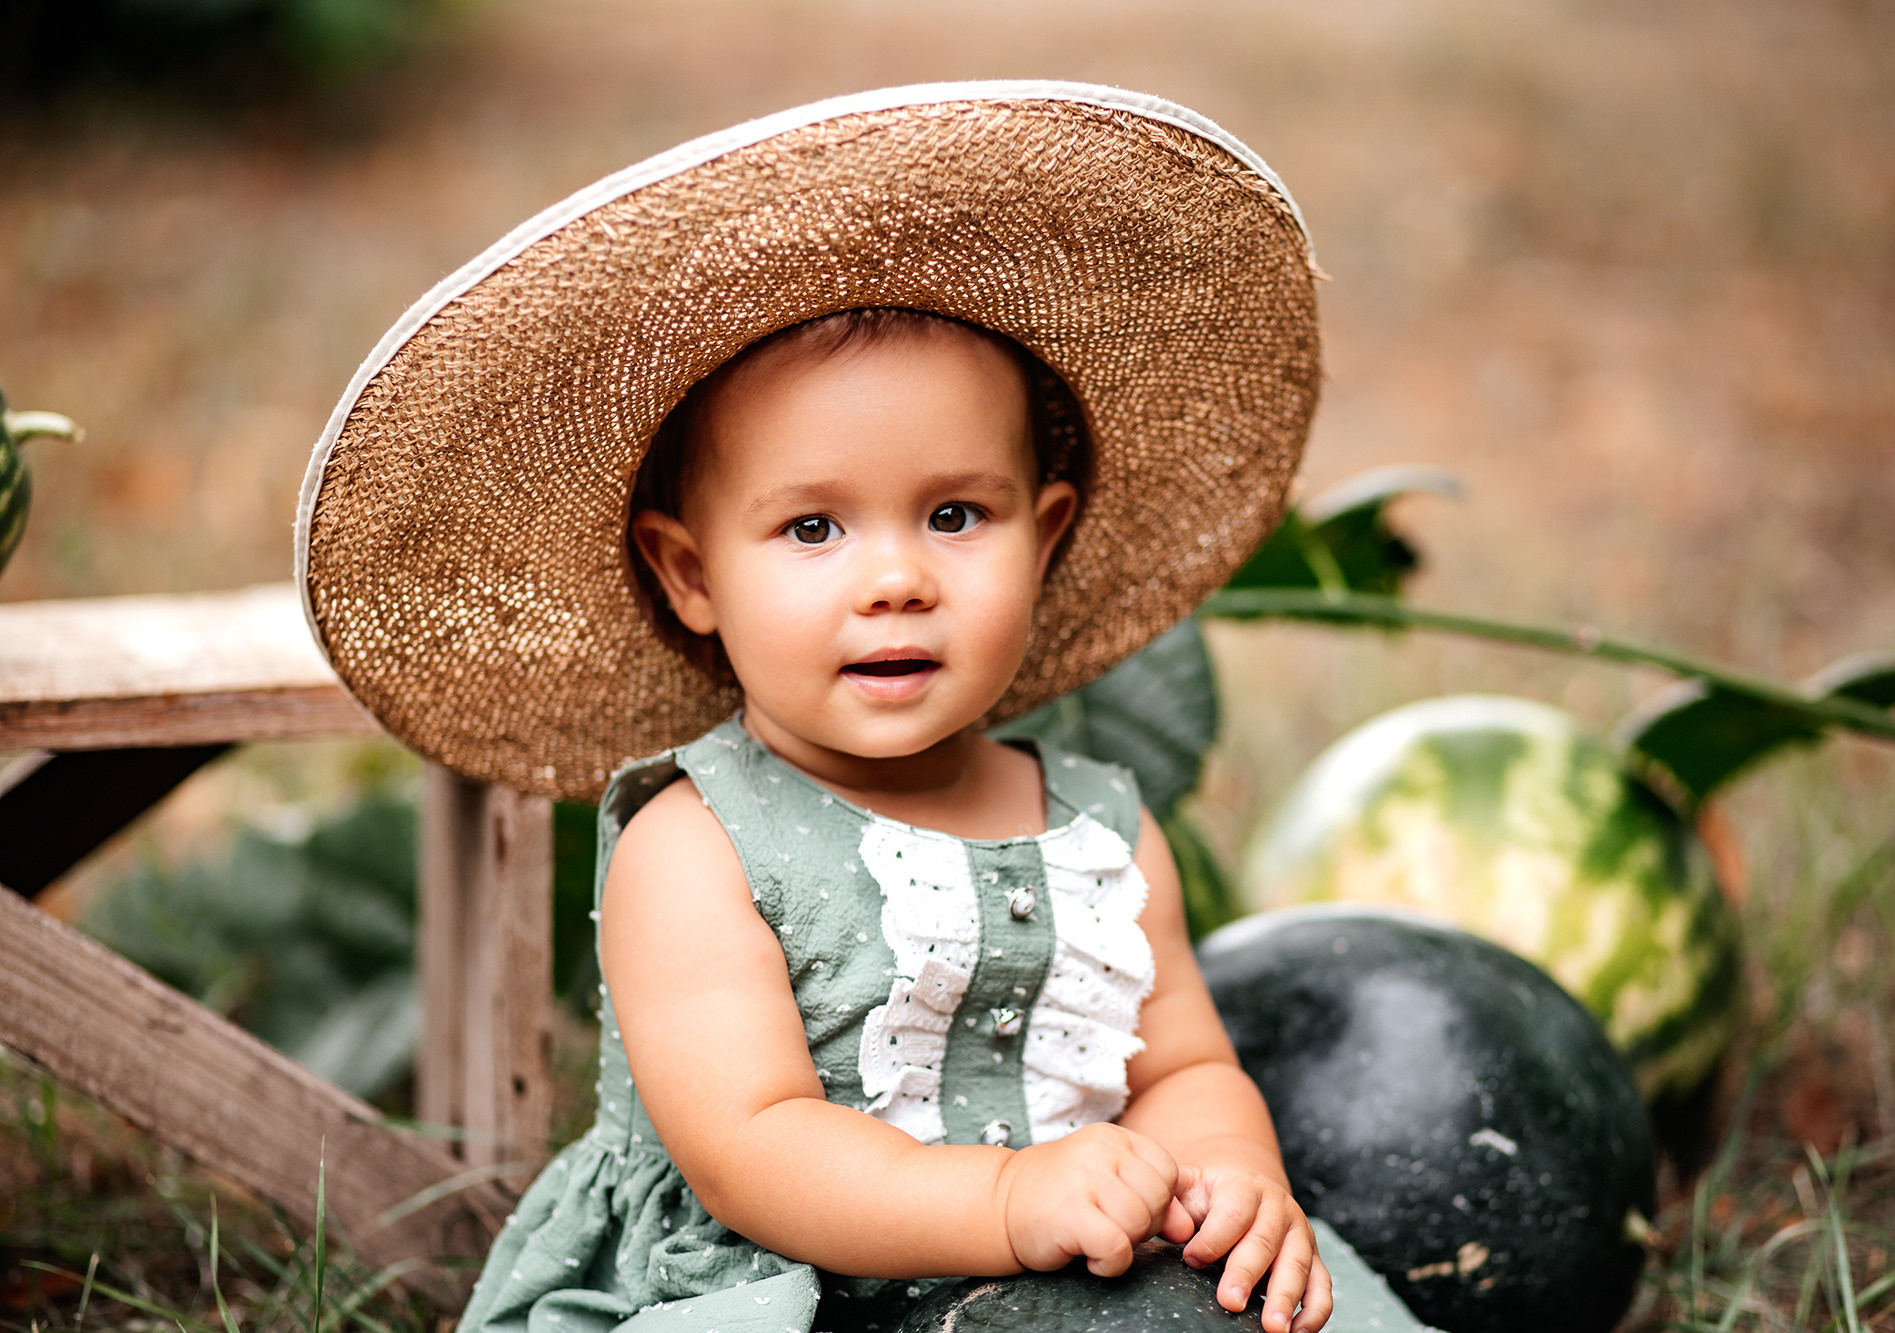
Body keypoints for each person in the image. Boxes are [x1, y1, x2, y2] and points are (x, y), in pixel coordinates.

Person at [297, 84, 1431, 1333]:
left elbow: (1183, 1065)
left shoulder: (1104, 827)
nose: (895, 580)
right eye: (812, 527)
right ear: (690, 575)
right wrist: (1002, 1200)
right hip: (783, 1278)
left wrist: (1230, 1172)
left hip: (1077, 1265)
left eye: (955, 515)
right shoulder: (697, 844)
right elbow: (752, 1144)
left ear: (1044, 537)